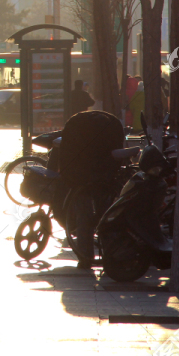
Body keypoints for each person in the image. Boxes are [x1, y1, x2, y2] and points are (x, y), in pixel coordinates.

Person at [57, 110, 125, 270]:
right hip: (102, 177)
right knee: (106, 216)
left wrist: (72, 179)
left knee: (84, 217)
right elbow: (116, 155)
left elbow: (66, 157)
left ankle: (85, 258)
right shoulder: (110, 125)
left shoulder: (76, 126)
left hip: (80, 178)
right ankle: (110, 255)